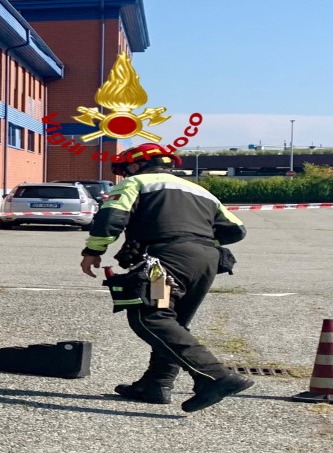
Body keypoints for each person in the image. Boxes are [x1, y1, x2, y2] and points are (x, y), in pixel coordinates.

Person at [80, 142, 251, 413]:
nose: (125, 174)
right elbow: (236, 230)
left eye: (125, 169)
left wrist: (93, 251)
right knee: (174, 323)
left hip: (163, 262)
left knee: (150, 317)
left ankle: (216, 376)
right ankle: (157, 384)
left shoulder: (136, 183)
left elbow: (112, 217)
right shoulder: (200, 190)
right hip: (206, 261)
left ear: (136, 165)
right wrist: (193, 240)